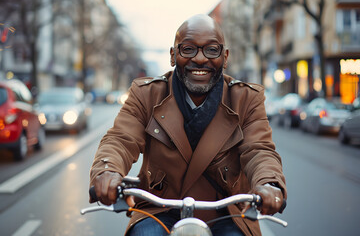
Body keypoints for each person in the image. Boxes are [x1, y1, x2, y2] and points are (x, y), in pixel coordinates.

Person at [89, 14, 287, 236]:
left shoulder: (246, 99)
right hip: (159, 209)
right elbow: (120, 140)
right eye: (188, 49)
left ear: (225, 56)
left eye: (212, 50)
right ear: (173, 56)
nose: (201, 59)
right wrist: (107, 170)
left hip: (227, 213)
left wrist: (269, 183)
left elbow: (259, 150)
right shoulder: (146, 94)